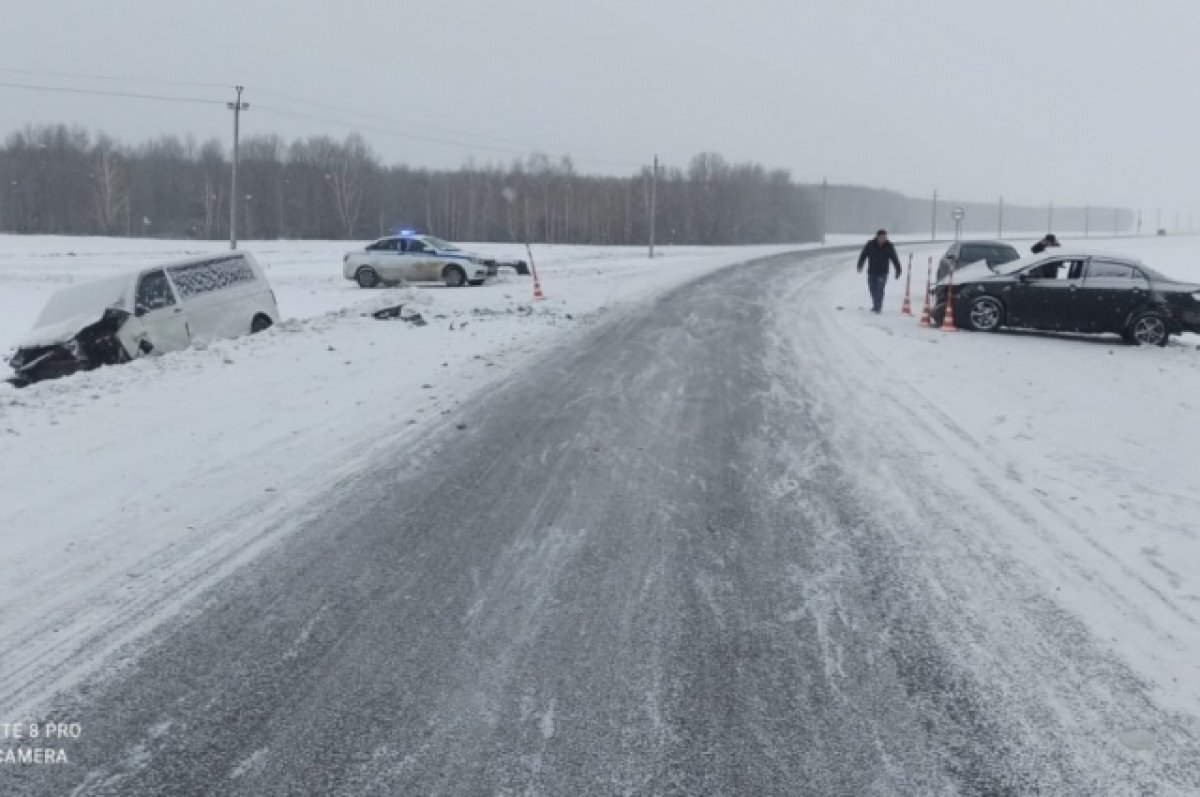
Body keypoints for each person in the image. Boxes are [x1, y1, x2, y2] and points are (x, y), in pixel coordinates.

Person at [856, 229, 903, 313]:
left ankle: (878, 307)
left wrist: (898, 270)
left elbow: (894, 258)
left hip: (883, 272)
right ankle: (876, 304)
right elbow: (863, 255)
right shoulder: (870, 244)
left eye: (884, 237)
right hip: (872, 271)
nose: (883, 239)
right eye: (881, 237)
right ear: (877, 237)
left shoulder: (889, 246)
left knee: (879, 289)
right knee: (872, 288)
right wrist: (860, 265)